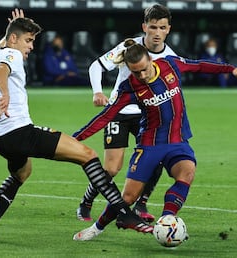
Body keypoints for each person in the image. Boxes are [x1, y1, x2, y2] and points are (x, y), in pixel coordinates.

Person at [0, 9, 152, 241]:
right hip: (21, 133)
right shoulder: (11, 55)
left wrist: (13, 27)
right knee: (87, 154)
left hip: (2, 139)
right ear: (13, 40)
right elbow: (2, 71)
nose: (30, 47)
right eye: (28, 41)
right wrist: (6, 94)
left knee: (22, 173)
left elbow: (0, 56)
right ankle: (124, 213)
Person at [72, 39, 237, 241]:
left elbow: (199, 65)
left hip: (178, 141)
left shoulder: (170, 64)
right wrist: (73, 139)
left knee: (187, 172)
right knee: (128, 198)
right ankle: (97, 228)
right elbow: (105, 116)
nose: (141, 75)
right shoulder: (129, 87)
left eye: (143, 69)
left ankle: (167, 219)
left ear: (150, 59)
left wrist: (231, 69)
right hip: (150, 145)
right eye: (135, 72)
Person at [76, 4, 176, 223]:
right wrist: (97, 92)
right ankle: (86, 201)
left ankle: (141, 204)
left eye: (162, 27)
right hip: (119, 112)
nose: (156, 33)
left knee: (155, 159)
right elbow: (96, 66)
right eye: (152, 27)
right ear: (144, 27)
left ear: (168, 29)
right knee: (111, 169)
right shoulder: (129, 47)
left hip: (147, 116)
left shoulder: (170, 59)